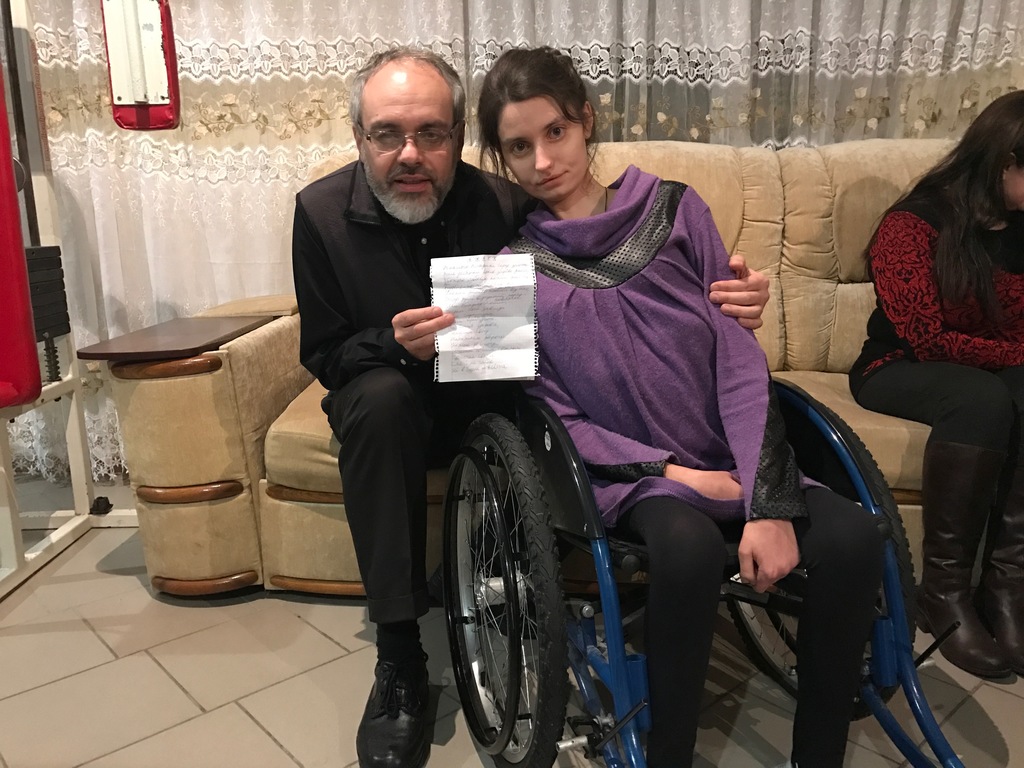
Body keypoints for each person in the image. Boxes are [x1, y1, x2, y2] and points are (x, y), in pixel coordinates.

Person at [291, 46, 770, 768]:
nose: (410, 153)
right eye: (387, 134)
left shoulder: (506, 201)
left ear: (458, 136)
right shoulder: (320, 214)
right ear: (360, 137)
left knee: (535, 396)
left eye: (431, 133)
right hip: (392, 409)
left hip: (498, 395)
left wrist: (728, 293)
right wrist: (393, 346)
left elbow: (607, 278)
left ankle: (545, 586)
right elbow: (325, 355)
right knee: (380, 401)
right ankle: (400, 659)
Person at [476, 46, 885, 768]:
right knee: (688, 548)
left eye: (556, 132)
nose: (541, 161)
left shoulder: (675, 208)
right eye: (517, 147)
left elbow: (736, 356)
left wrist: (764, 497)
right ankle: (670, 753)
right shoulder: (507, 270)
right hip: (637, 480)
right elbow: (551, 417)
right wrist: (679, 476)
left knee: (853, 537)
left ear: (586, 121)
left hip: (732, 453)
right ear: (501, 158)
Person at [850, 90, 1024, 680]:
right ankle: (943, 593)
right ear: (1005, 161)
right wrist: (1016, 354)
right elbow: (924, 338)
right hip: (897, 365)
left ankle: (1005, 587)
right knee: (982, 399)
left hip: (990, 367)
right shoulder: (914, 222)